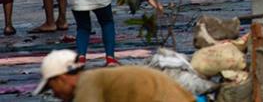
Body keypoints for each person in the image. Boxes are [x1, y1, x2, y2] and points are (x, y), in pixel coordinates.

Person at [33, 49, 194, 101]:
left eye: (51, 87)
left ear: (61, 78)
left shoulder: (88, 82)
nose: (55, 94)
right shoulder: (99, 78)